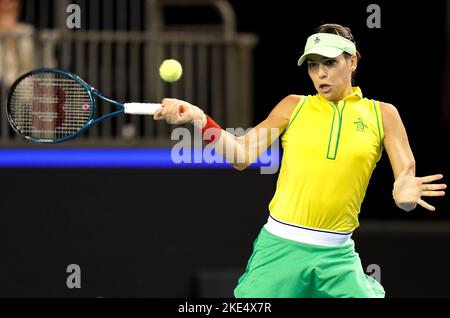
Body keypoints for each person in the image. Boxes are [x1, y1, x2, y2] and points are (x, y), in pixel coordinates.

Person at [153, 23, 447, 298]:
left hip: (338, 257)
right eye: (313, 65)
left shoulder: (383, 115)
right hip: (280, 247)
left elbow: (406, 180)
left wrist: (404, 196)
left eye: (330, 63)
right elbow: (241, 156)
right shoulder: (293, 106)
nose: (320, 74)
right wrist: (200, 119)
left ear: (353, 61)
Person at [0, 0, 35, 87]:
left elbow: (27, 62)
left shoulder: (27, 31)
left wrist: (12, 38)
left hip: (22, 87)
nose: (7, 6)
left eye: (11, 2)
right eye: (3, 3)